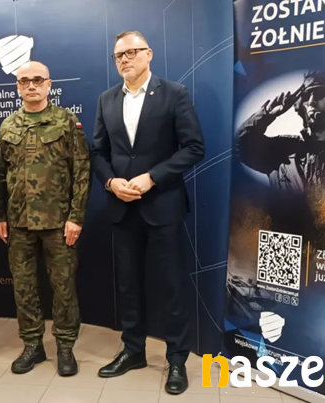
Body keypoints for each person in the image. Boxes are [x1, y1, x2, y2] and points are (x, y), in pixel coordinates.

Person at [90, 31, 205, 394]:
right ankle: (133, 351)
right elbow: (98, 152)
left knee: (171, 286)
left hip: (163, 207)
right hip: (122, 208)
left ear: (149, 54)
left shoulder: (174, 93)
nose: (124, 59)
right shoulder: (107, 99)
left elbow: (194, 147)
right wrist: (111, 183)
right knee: (128, 285)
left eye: (131, 52)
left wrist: (152, 177)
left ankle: (176, 360)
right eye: (118, 56)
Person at [0, 61, 91, 377]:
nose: (31, 86)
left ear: (49, 84)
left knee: (63, 286)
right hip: (18, 222)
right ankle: (32, 344)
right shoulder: (8, 125)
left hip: (58, 222)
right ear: (17, 87)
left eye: (37, 80)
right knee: (24, 287)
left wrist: (76, 217)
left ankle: (65, 346)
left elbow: (82, 171)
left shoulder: (66, 122)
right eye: (24, 81)